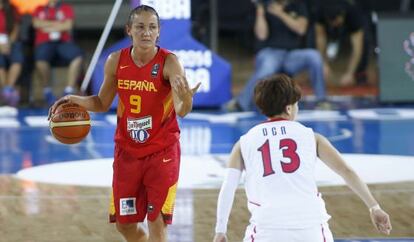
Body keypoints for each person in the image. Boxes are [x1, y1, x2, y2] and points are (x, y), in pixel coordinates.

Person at [48, 5, 200, 242]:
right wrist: (72, 100)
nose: (146, 33)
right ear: (129, 30)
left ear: (159, 31)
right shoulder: (116, 61)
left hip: (162, 153)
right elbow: (101, 102)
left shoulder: (170, 63)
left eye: (152, 27)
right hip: (127, 153)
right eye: (140, 27)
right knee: (125, 224)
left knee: (156, 223)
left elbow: (181, 110)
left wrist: (187, 98)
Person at [213, 74, 392, 241]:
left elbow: (228, 188)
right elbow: (346, 171)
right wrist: (374, 207)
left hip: (267, 228)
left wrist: (220, 230)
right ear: (289, 108)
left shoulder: (243, 143)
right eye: (297, 104)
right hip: (311, 226)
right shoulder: (311, 136)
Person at [224, 0, 328, 112]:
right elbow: (261, 35)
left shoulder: (298, 4)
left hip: (292, 56)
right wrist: (260, 11)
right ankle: (241, 103)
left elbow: (301, 29)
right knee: (267, 69)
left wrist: (280, 14)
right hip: (270, 52)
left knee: (314, 56)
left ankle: (321, 100)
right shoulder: (266, 5)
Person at [32, 0, 83, 106]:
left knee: (77, 56)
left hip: (62, 42)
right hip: (44, 42)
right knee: (40, 60)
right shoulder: (39, 8)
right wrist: (59, 24)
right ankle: (47, 90)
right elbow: (36, 23)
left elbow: (68, 25)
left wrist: (46, 26)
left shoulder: (66, 8)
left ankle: (69, 91)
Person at [315, 0, 372, 86]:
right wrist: (323, 63)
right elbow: (320, 38)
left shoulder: (353, 13)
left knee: (365, 40)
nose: (334, 24)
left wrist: (350, 73)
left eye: (336, 21)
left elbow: (357, 48)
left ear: (342, 15)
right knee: (312, 39)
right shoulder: (320, 10)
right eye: (331, 22)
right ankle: (315, 70)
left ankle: (360, 72)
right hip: (327, 25)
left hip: (350, 24)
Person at [0, 0, 24, 106]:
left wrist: (9, 43)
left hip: (10, 41)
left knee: (17, 56)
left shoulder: (12, 8)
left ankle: (7, 90)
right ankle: (7, 94)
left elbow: (16, 28)